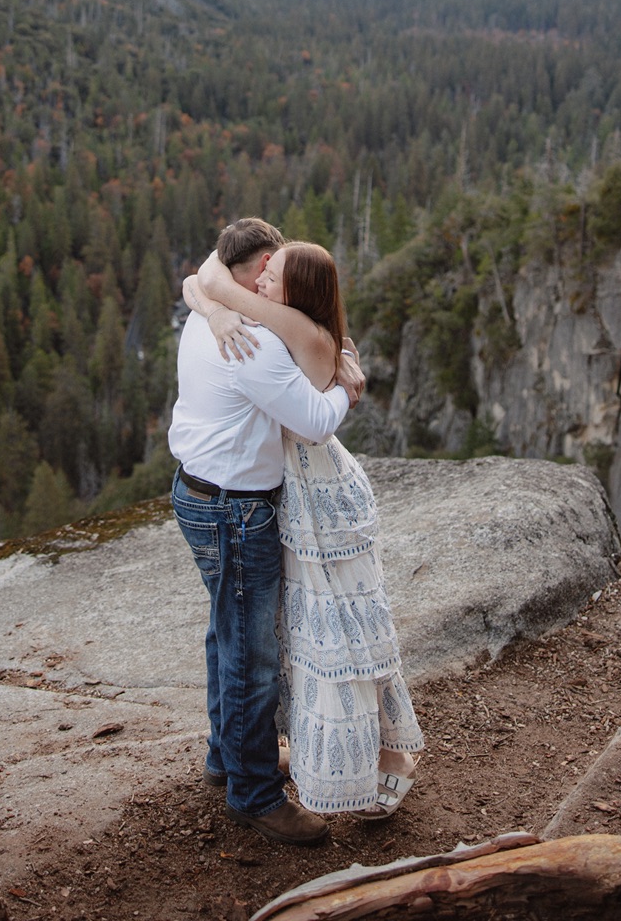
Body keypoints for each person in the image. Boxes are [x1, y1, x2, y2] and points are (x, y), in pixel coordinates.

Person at [193, 239, 423, 818]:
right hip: (248, 503)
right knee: (245, 642)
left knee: (257, 640)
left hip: (297, 504)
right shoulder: (251, 326)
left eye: (271, 277)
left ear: (295, 295)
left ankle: (246, 768)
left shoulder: (290, 338)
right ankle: (248, 783)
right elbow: (205, 277)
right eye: (260, 272)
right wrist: (217, 302)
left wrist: (342, 385)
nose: (259, 283)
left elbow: (317, 424)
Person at [168, 218, 365, 846]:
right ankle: (254, 793)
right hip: (234, 509)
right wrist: (347, 388)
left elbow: (205, 271)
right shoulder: (249, 341)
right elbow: (311, 423)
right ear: (256, 274)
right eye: (274, 267)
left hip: (199, 492)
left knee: (225, 632)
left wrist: (211, 288)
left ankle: (227, 758)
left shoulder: (213, 308)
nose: (279, 275)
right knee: (251, 653)